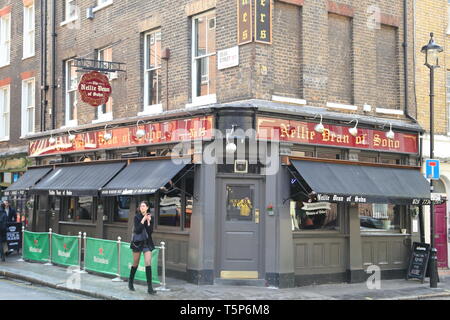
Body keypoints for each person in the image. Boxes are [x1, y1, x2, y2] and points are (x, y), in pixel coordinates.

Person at [128, 201, 156, 295]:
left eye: (144, 206)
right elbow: (137, 230)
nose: (142, 208)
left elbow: (150, 232)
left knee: (148, 263)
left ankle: (150, 288)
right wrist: (143, 219)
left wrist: (148, 221)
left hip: (147, 243)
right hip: (138, 243)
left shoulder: (151, 217)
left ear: (147, 207)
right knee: (135, 263)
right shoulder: (136, 217)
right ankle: (130, 282)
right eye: (141, 206)